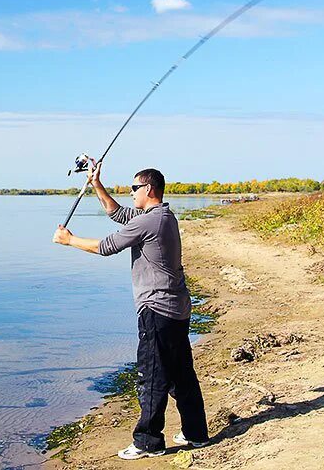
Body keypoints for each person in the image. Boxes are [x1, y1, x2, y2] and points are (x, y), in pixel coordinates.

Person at [52, 164, 209, 460]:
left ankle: (148, 442)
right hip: (176, 308)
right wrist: (97, 184)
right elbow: (118, 214)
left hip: (157, 308)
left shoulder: (151, 222)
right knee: (180, 374)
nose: (130, 191)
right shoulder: (161, 216)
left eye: (134, 187)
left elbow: (106, 246)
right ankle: (196, 432)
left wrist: (69, 240)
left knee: (151, 376)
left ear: (148, 189)